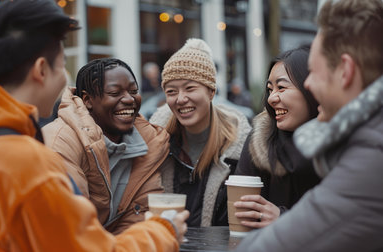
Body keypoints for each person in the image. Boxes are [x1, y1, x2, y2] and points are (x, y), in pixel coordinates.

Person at [0, 0, 188, 251]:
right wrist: (163, 229)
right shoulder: (24, 163)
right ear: (41, 70)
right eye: (62, 63)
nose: (65, 77)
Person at [236, 0, 383, 251]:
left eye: (313, 72)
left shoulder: (372, 152)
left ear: (345, 71)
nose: (308, 85)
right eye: (270, 89)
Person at [42, 58, 172, 234]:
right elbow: (71, 226)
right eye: (114, 92)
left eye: (134, 91)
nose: (129, 99)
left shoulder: (150, 143)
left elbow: (138, 221)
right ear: (87, 100)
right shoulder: (60, 142)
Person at [150, 38, 251, 227]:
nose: (180, 99)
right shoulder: (156, 144)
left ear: (211, 92)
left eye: (190, 88)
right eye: (171, 91)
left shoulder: (240, 148)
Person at [233, 45, 321, 229]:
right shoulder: (261, 142)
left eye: (281, 87)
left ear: (311, 88)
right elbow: (242, 211)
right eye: (269, 89)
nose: (272, 98)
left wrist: (285, 219)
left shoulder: (342, 145)